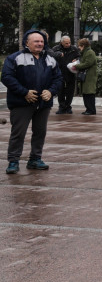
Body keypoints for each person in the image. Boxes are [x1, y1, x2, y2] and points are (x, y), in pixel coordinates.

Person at [3, 29, 62, 174]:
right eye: (36, 41)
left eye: (42, 41)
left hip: (43, 104)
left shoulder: (50, 59)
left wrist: (51, 91)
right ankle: (13, 161)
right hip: (21, 103)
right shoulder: (15, 58)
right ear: (27, 43)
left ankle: (35, 159)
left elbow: (58, 78)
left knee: (40, 132)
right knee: (18, 133)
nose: (40, 44)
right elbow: (6, 77)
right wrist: (24, 92)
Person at [50, 35, 80, 114]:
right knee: (60, 91)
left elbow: (80, 57)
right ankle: (61, 107)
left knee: (70, 91)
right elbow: (51, 58)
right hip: (59, 72)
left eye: (69, 43)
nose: (68, 44)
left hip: (70, 72)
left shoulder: (74, 49)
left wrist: (76, 60)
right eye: (66, 43)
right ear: (62, 43)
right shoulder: (56, 49)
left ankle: (68, 107)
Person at [74, 38, 99, 115]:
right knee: (86, 93)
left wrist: (77, 66)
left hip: (89, 76)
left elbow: (88, 63)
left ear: (83, 46)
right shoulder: (85, 52)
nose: (79, 47)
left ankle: (91, 110)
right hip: (86, 76)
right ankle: (88, 109)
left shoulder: (90, 52)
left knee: (89, 93)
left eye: (80, 46)